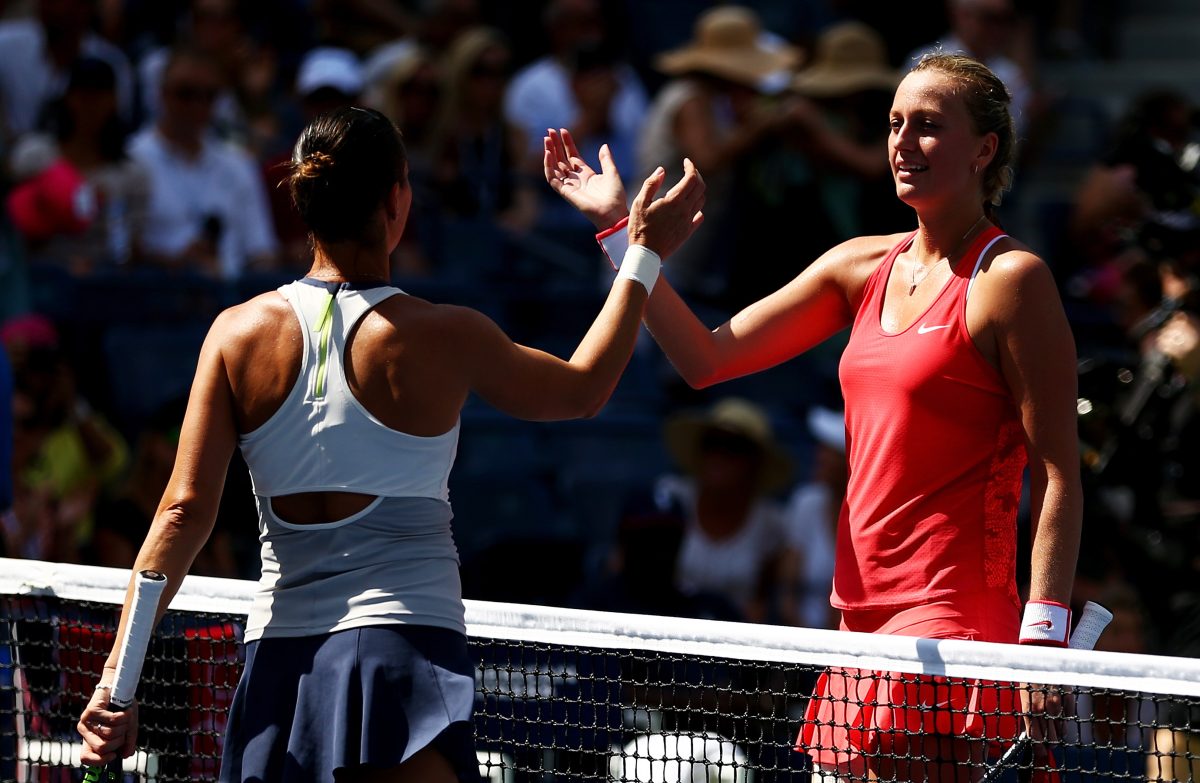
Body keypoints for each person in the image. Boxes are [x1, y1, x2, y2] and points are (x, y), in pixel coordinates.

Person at [77, 106, 703, 782]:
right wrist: (637, 249)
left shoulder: (234, 334)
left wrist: (118, 679)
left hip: (279, 675)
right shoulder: (443, 334)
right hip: (402, 658)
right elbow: (584, 388)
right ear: (396, 200)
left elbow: (180, 513)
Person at [545, 49, 1082, 782]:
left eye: (928, 126)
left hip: (951, 616)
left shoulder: (1011, 279)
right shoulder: (857, 266)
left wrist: (1043, 640)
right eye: (894, 124)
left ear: (985, 149)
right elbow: (704, 358)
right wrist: (621, 231)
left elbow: (1058, 474)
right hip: (856, 617)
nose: (902, 142)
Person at [127, 45, 279, 278]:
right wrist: (175, 263)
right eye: (186, 94)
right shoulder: (133, 160)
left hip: (230, 301)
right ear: (162, 93)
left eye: (208, 96)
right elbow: (121, 253)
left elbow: (261, 252)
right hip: (154, 300)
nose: (197, 105)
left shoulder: (238, 165)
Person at [655, 396, 793, 624]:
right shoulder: (670, 498)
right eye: (712, 443)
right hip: (667, 634)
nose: (719, 456)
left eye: (734, 447)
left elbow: (766, 602)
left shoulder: (772, 524)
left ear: (755, 462)